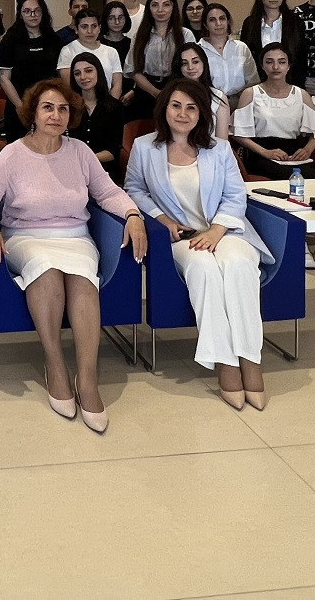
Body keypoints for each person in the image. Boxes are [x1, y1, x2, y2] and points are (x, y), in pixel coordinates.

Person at [0, 79, 147, 433]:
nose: (56, 115)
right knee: (47, 271)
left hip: (75, 236)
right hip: (25, 236)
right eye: (48, 108)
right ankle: (55, 365)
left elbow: (108, 192)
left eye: (63, 109)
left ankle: (87, 378)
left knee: (82, 279)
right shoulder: (13, 154)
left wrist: (133, 214)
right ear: (33, 114)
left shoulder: (80, 151)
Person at [125, 79, 271, 410]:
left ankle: (250, 357)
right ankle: (224, 362)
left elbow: (235, 195)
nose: (183, 113)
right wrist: (161, 218)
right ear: (164, 108)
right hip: (181, 237)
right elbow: (134, 189)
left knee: (239, 264)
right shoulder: (144, 147)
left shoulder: (219, 148)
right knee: (204, 268)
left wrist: (217, 230)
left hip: (225, 231)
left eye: (192, 107)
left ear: (202, 113)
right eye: (176, 105)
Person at [231, 44, 315, 274]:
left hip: (294, 150)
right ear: (262, 65)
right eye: (270, 61)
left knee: (313, 178)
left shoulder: (300, 94)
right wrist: (265, 152)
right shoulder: (251, 93)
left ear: (289, 65)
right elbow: (238, 134)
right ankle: (298, 240)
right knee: (291, 177)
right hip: (261, 151)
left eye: (281, 62)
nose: (276, 67)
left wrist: (309, 149)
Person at [0, 0, 64, 142]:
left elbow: (60, 75)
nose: (33, 15)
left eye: (36, 10)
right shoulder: (10, 40)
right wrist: (22, 108)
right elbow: (4, 78)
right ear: (20, 15)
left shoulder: (53, 39)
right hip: (19, 106)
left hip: (49, 106)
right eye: (27, 11)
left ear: (43, 12)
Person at [129, 0, 194, 112]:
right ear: (149, 8)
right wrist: (156, 93)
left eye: (166, 5)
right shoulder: (139, 36)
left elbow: (191, 67)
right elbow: (133, 70)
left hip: (178, 88)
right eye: (155, 5)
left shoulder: (185, 35)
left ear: (173, 7)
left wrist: (170, 92)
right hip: (146, 90)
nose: (160, 10)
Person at [66, 52, 127, 183]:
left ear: (98, 72)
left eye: (88, 71)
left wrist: (87, 159)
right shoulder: (68, 108)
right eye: (77, 73)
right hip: (72, 170)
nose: (83, 77)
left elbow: (114, 150)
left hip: (104, 172)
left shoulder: (115, 107)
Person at [239, 0, 307, 86]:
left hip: (290, 82)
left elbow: (301, 58)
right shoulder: (250, 23)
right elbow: (245, 55)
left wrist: (297, 86)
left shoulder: (295, 22)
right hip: (258, 83)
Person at [199, 3, 258, 107]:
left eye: (222, 18)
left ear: (228, 21)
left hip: (241, 103)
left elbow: (253, 81)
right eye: (212, 20)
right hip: (210, 103)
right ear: (205, 25)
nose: (218, 23)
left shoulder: (241, 48)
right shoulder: (198, 50)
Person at [56, 9, 124, 98]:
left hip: (107, 101)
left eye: (94, 26)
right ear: (76, 29)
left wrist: (110, 104)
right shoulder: (68, 51)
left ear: (99, 28)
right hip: (79, 102)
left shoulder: (111, 51)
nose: (89, 31)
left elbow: (117, 85)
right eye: (84, 27)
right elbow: (69, 85)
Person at [172, 43, 231, 141]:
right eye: (184, 63)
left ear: (204, 63)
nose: (190, 67)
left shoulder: (218, 97)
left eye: (195, 62)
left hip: (209, 149)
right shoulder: (169, 95)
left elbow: (222, 141)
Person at [102, 1, 135, 97]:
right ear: (105, 20)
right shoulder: (98, 44)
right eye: (111, 18)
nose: (117, 22)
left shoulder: (132, 44)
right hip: (104, 93)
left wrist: (133, 91)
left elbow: (137, 71)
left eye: (120, 18)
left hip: (129, 94)